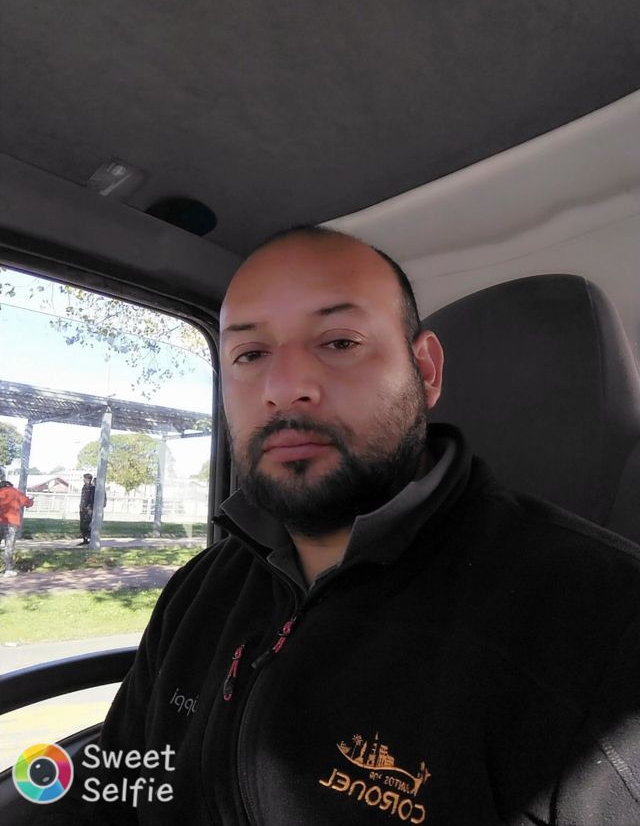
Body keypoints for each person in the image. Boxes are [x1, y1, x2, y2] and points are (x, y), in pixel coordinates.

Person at [43, 227, 640, 825]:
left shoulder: (603, 622)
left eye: (339, 342)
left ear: (426, 370)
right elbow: (116, 792)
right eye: (250, 355)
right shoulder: (199, 589)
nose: (284, 389)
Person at [0, 479, 33, 577]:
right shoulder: (15, 492)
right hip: (11, 523)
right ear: (10, 485)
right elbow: (27, 503)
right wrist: (31, 501)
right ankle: (8, 570)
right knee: (9, 546)